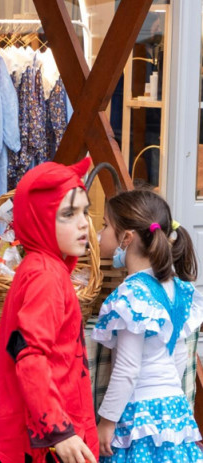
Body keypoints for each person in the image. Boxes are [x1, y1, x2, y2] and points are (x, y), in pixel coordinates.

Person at [0, 157, 98, 463]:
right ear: (39, 219)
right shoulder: (45, 275)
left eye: (84, 211)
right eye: (68, 214)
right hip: (45, 441)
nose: (84, 222)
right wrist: (59, 430)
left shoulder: (44, 269)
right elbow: (29, 354)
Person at [92, 189, 203, 462]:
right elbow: (177, 355)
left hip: (140, 412)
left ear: (126, 238)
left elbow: (128, 368)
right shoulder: (176, 288)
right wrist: (170, 403)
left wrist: (107, 421)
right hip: (173, 411)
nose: (100, 232)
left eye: (106, 225)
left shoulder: (131, 295)